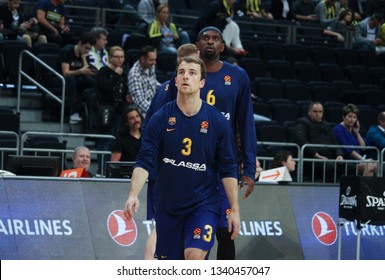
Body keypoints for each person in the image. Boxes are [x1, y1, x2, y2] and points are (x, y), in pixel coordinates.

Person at [124, 56, 240, 260]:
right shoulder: (159, 119)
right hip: (168, 206)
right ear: (175, 81)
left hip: (203, 204)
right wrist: (133, 194)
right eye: (181, 72)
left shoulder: (217, 122)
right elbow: (144, 160)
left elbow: (229, 168)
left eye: (192, 73)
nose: (186, 76)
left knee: (193, 256)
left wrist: (235, 209)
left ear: (202, 83)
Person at [196, 26, 256, 260]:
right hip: (191, 163)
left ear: (222, 46)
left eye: (215, 39)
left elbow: (247, 124)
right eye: (205, 38)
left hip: (224, 166)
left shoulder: (238, 76)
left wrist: (249, 168)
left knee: (225, 229)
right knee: (196, 231)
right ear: (197, 45)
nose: (210, 42)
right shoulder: (187, 74)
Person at [142, 43, 200, 260]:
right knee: (165, 227)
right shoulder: (179, 90)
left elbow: (148, 127)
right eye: (195, 63)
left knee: (163, 225)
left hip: (160, 167)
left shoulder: (162, 87)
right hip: (175, 167)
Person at [96, 46, 129, 173]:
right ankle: (101, 169)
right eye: (116, 57)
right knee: (105, 140)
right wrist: (115, 75)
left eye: (122, 57)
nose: (120, 59)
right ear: (110, 58)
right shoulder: (103, 71)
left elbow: (124, 89)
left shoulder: (124, 72)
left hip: (120, 110)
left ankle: (110, 169)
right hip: (106, 110)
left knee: (115, 141)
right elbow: (104, 87)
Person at [294, 102, 345, 182]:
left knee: (349, 165)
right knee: (330, 166)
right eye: (315, 111)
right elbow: (301, 140)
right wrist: (316, 155)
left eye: (320, 112)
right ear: (309, 112)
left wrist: (339, 154)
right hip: (312, 158)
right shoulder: (302, 123)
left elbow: (335, 142)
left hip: (329, 157)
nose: (318, 114)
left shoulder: (326, 125)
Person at [56, 32, 97, 124]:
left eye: (89, 49)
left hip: (75, 78)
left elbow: (87, 73)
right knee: (71, 80)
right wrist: (81, 71)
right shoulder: (67, 51)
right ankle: (73, 113)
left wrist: (83, 59)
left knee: (92, 83)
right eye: (86, 48)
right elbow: (65, 73)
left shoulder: (85, 54)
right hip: (59, 78)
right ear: (79, 43)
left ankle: (89, 114)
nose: (87, 51)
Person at [332, 103, 377, 177]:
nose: (352, 120)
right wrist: (363, 160)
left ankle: (370, 188)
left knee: (375, 165)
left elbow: (363, 147)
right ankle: (364, 188)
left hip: (357, 161)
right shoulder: (338, 130)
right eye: (349, 117)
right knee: (370, 166)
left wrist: (357, 133)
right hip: (347, 163)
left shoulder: (354, 130)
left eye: (354, 117)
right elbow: (349, 151)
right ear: (343, 117)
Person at [127, 45, 160, 118]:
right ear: (142, 59)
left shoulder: (151, 66)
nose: (154, 63)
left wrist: (165, 87)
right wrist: (156, 111)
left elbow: (154, 83)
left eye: (155, 59)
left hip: (153, 106)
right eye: (151, 60)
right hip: (142, 114)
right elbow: (140, 102)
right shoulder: (134, 74)